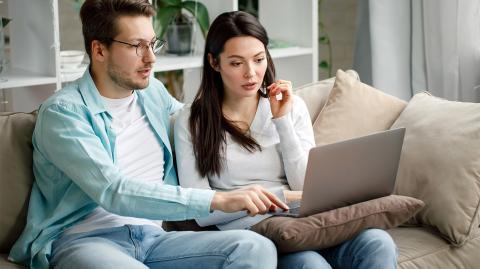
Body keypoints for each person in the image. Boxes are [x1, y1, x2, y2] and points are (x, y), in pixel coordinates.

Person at [7, 1, 289, 269]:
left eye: (152, 44)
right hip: (85, 239)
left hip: (155, 237)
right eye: (136, 46)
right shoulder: (64, 114)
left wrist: (271, 113)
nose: (151, 58)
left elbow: (203, 126)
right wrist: (219, 199)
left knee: (254, 247)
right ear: (99, 50)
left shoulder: (151, 93)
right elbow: (113, 191)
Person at [174, 11, 398, 269]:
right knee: (310, 264)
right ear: (214, 63)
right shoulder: (192, 120)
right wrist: (286, 196)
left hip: (306, 220)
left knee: (378, 242)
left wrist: (283, 122)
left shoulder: (291, 106)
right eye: (236, 63)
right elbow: (200, 210)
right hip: (257, 231)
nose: (251, 73)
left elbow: (306, 183)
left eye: (258, 60)